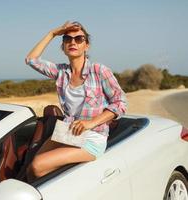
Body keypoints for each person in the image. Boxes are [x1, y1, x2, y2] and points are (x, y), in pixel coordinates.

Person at [25, 21, 127, 181]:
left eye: (79, 39)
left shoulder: (99, 71)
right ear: (63, 46)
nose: (73, 42)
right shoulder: (61, 72)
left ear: (87, 46)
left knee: (38, 165)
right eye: (67, 39)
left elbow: (120, 103)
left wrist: (91, 123)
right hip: (67, 132)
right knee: (31, 168)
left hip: (92, 137)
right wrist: (53, 33)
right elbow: (31, 59)